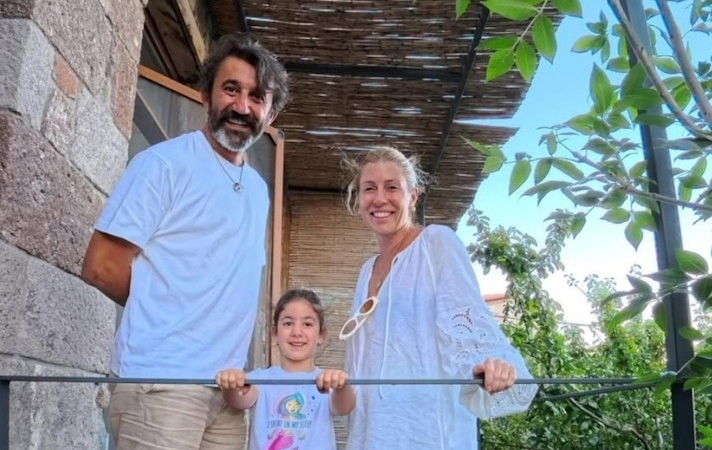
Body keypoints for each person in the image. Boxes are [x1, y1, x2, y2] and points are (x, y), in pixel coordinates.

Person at [80, 33, 290, 450]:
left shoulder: (256, 189)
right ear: (205, 95)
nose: (242, 106)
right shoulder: (163, 164)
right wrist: (166, 311)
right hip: (161, 384)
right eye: (231, 89)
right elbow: (101, 266)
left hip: (227, 392)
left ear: (271, 113)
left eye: (257, 97)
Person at [340, 146, 538, 450]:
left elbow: (468, 321)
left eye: (392, 187)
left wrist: (495, 367)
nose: (379, 199)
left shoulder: (435, 244)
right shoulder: (367, 270)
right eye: (369, 188)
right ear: (359, 199)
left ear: (413, 197)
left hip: (428, 434)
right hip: (372, 436)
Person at [216, 289, 356, 450]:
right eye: (288, 323)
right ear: (275, 333)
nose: (297, 332)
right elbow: (239, 401)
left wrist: (342, 386)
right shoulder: (260, 379)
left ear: (321, 335)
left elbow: (344, 408)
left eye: (307, 324)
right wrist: (230, 383)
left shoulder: (327, 380)